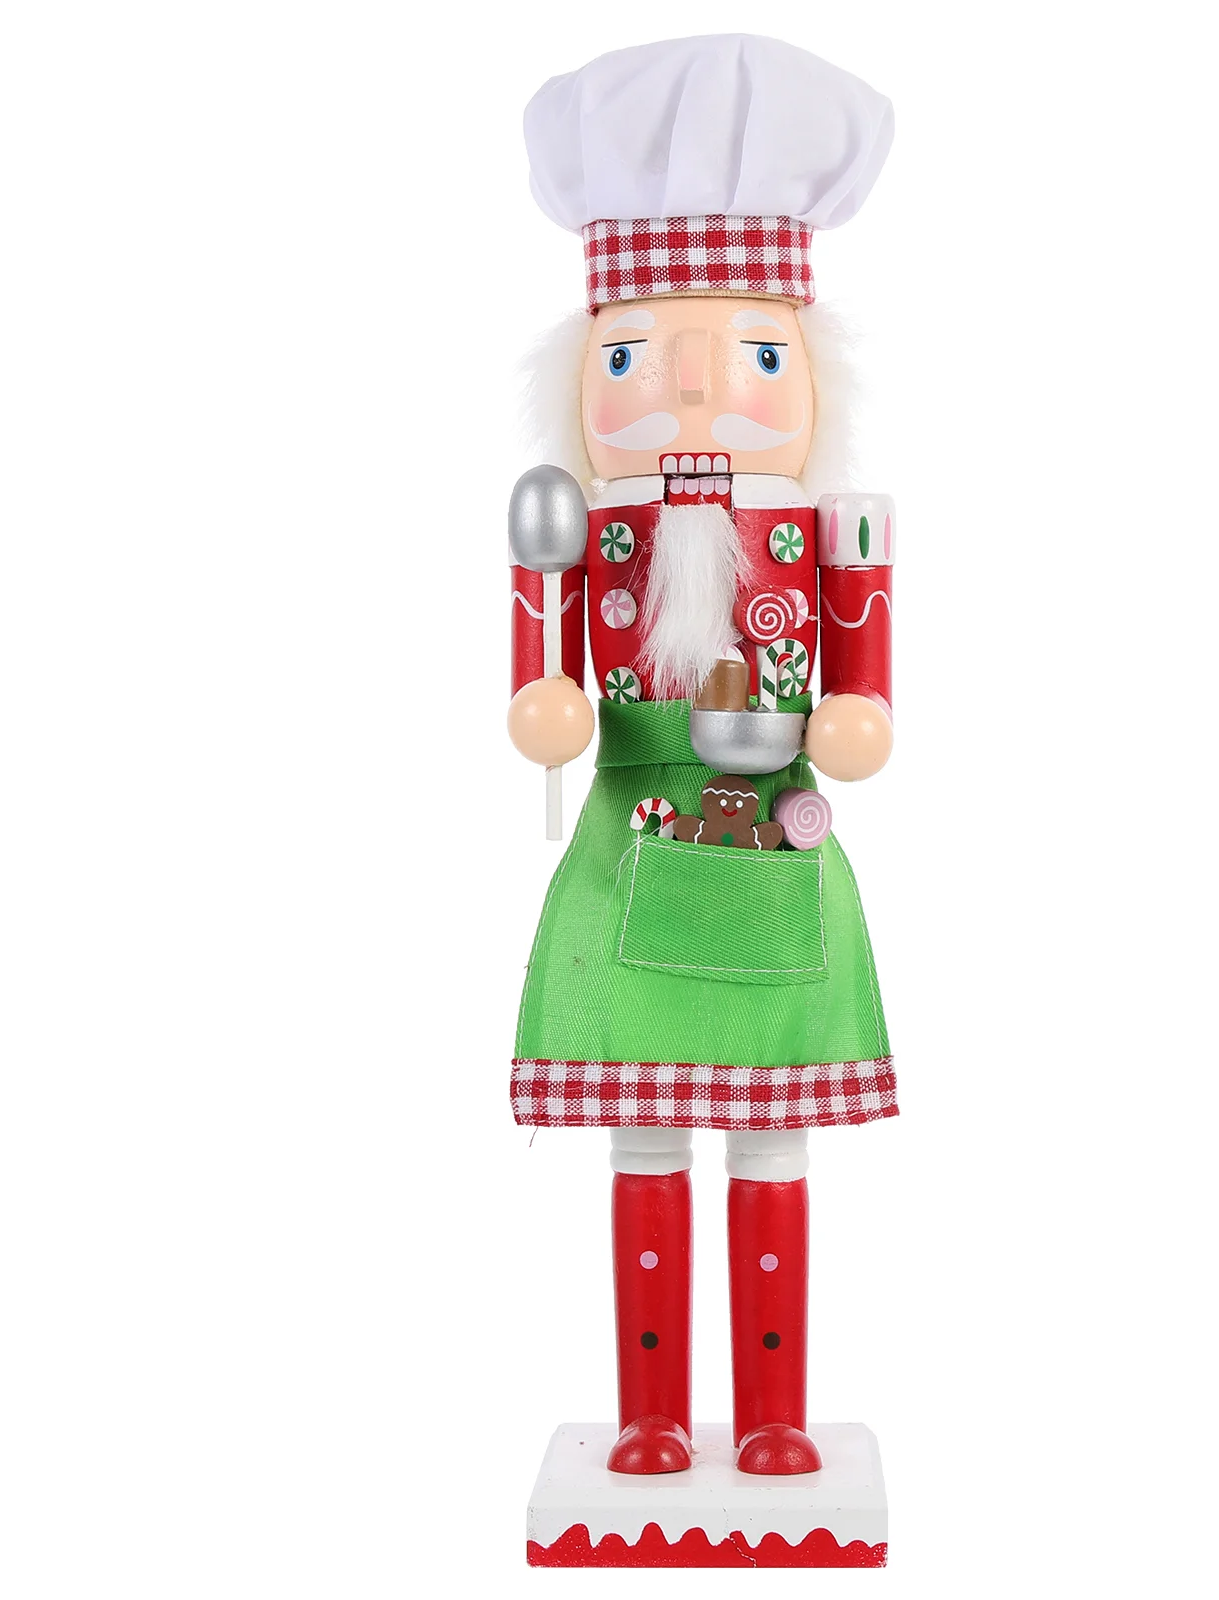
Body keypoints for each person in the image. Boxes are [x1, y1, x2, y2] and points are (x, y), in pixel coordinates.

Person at [507, 35, 899, 1477]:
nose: (689, 389)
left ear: (806, 375)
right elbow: (541, 683)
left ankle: (780, 1415)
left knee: (774, 1141)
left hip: (773, 836)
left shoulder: (827, 527)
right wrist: (547, 710)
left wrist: (853, 724)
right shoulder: (577, 523)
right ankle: (654, 1416)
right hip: (627, 836)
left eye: (749, 355)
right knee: (646, 1137)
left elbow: (864, 693)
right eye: (630, 358)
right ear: (583, 381)